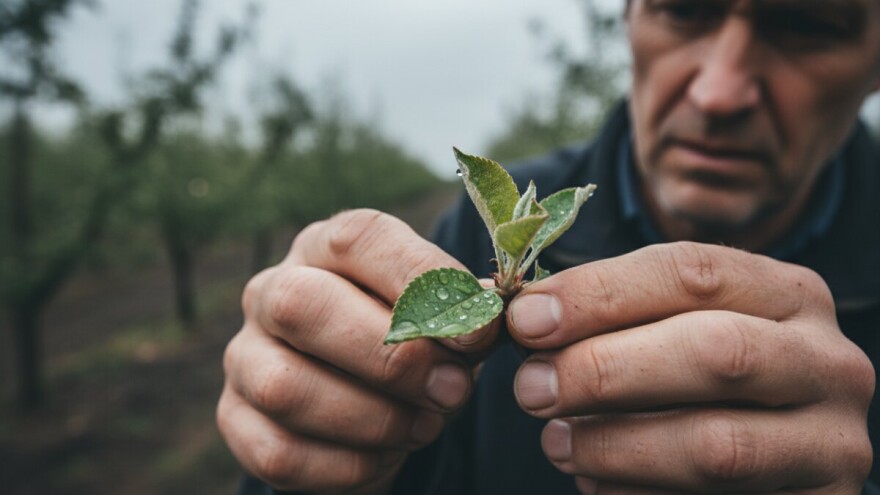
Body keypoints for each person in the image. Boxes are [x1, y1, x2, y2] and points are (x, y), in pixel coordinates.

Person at [217, 0, 880, 493]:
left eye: (810, 24)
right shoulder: (471, 243)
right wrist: (308, 445)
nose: (718, 91)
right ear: (628, 15)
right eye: (685, 8)